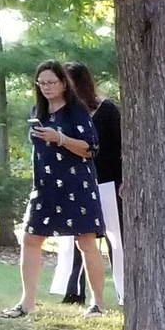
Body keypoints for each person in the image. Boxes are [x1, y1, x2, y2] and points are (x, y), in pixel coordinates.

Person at [2, 61, 109, 318]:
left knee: (85, 242)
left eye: (52, 82)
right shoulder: (37, 111)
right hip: (45, 187)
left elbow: (91, 148)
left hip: (77, 184)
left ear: (63, 83)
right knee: (30, 238)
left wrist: (59, 138)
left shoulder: (76, 111)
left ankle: (98, 303)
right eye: (42, 83)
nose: (47, 87)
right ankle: (27, 301)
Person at [66, 62, 124, 305]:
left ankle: (124, 291)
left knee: (116, 240)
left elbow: (122, 146)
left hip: (108, 181)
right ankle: (73, 291)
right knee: (79, 239)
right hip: (76, 183)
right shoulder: (65, 114)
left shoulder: (107, 110)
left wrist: (124, 179)